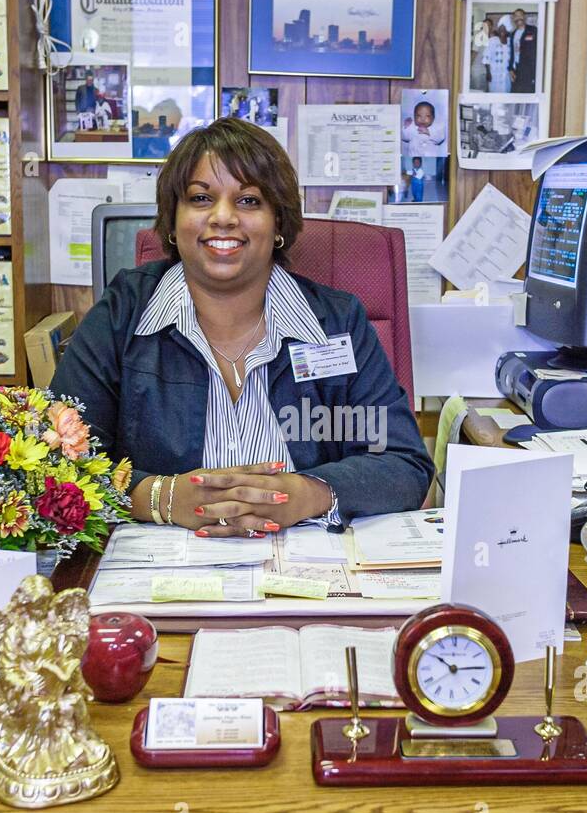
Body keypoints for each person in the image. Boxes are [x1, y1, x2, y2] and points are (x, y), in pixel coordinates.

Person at [50, 118, 433, 537]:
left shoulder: (337, 323)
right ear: (173, 221)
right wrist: (160, 497)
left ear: (278, 222)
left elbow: (402, 464)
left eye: (249, 201)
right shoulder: (123, 315)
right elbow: (56, 463)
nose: (224, 217)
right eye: (200, 198)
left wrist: (309, 493)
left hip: (309, 575)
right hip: (159, 575)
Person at [511, 9, 539, 93]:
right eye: (516, 16)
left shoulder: (533, 30)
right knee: (517, 94)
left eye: (520, 15)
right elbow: (512, 53)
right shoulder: (513, 34)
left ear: (524, 17)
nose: (518, 18)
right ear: (513, 19)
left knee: (528, 93)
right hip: (516, 69)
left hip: (529, 70)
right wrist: (511, 69)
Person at [483, 26, 512, 93]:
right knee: (494, 97)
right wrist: (488, 72)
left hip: (507, 75)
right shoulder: (492, 40)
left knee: (506, 96)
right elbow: (486, 57)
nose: (502, 31)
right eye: (500, 29)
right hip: (494, 74)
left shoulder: (510, 41)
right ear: (498, 30)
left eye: (504, 29)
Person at [470, 17, 492, 91]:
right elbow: (473, 55)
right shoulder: (478, 38)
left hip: (485, 72)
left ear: (491, 27)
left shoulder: (490, 40)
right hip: (477, 71)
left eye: (489, 25)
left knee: (484, 93)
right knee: (477, 93)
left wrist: (488, 72)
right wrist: (468, 71)